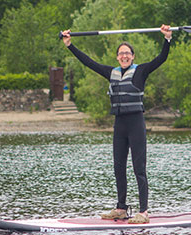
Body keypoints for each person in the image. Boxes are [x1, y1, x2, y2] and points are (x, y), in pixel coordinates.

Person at [62, 25, 172, 224]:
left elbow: (161, 59)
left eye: (127, 53)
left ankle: (144, 211)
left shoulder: (141, 71)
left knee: (139, 168)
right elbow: (88, 62)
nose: (124, 56)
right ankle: (121, 208)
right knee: (118, 167)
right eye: (121, 54)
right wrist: (70, 45)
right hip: (119, 125)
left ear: (133, 56)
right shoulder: (110, 72)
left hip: (136, 123)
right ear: (117, 57)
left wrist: (167, 39)